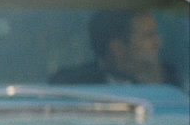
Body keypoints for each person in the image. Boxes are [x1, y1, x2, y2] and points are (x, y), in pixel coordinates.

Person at [49, 10, 180, 86]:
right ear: (118, 48)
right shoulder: (71, 83)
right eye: (148, 36)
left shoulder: (172, 80)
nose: (159, 43)